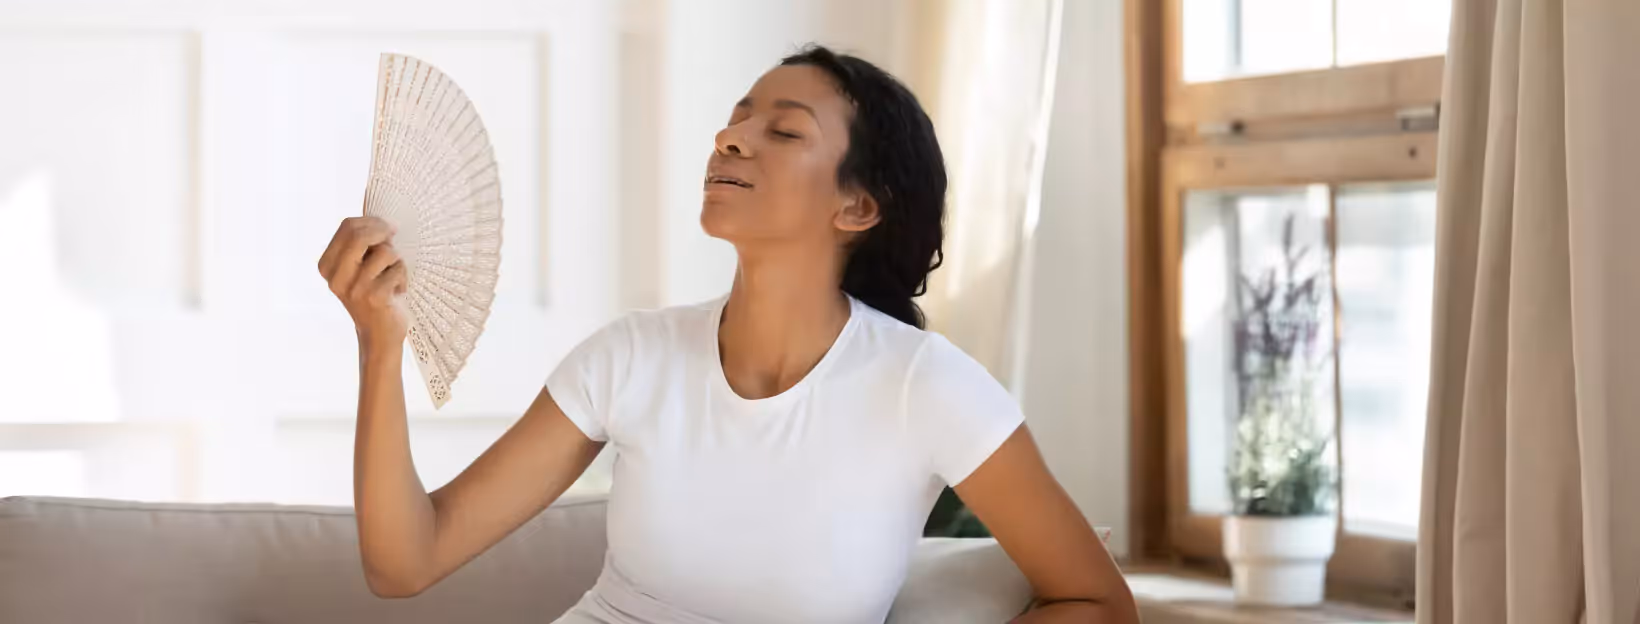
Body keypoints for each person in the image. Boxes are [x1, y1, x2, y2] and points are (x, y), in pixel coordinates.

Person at [317, 44, 1138, 624]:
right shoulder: (631, 356)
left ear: (857, 206)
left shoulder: (927, 388)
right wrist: (380, 345)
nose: (729, 137)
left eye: (783, 131)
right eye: (736, 119)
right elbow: (405, 563)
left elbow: (1097, 602)